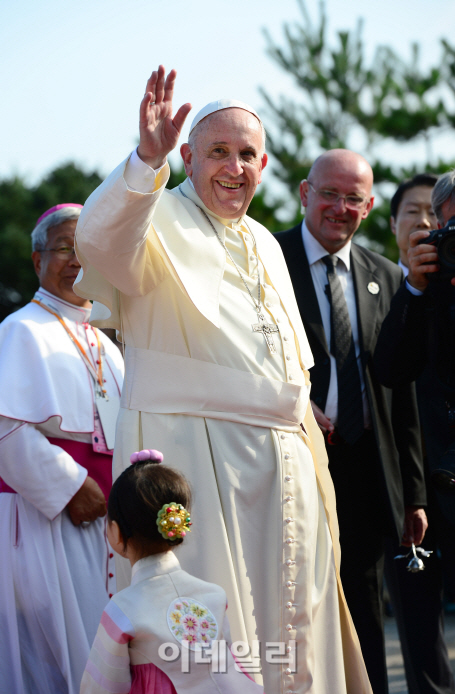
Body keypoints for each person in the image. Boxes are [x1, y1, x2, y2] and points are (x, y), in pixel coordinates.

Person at [74, 66, 372, 693]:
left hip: (284, 464)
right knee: (216, 631)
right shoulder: (155, 214)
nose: (235, 168)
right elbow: (98, 243)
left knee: (294, 628)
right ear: (186, 156)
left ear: (264, 166)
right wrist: (142, 162)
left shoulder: (265, 241)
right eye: (218, 153)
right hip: (197, 455)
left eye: (247, 155)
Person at [275, 149, 428, 694]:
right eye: (330, 194)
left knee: (364, 609)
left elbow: (400, 392)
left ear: (368, 208)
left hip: (365, 468)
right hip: (288, 463)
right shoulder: (267, 262)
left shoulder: (385, 275)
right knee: (291, 604)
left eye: (354, 199)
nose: (340, 208)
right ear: (304, 194)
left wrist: (413, 494)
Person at [0, 204, 124, 694]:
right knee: (50, 659)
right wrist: (72, 488)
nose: (76, 262)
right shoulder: (19, 331)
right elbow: (6, 429)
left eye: (87, 251)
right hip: (45, 517)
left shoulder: (107, 342)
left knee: (98, 653)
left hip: (104, 520)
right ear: (37, 261)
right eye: (64, 250)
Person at [81, 448, 264, 694]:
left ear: (115, 532)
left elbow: (101, 687)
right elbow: (233, 664)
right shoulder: (214, 596)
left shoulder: (122, 611)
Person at [375, 172, 455, 693]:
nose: (429, 224)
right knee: (420, 623)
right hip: (418, 482)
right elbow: (390, 370)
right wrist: (418, 290)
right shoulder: (404, 285)